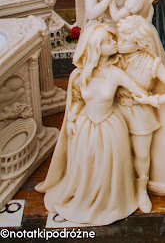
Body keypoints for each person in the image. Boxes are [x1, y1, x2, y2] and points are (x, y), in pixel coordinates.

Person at [35, 24, 155, 225]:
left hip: (110, 125)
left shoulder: (115, 73)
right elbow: (76, 101)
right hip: (86, 125)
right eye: (108, 41)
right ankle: (86, 193)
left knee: (110, 162)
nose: (114, 43)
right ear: (96, 47)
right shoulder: (79, 76)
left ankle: (112, 198)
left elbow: (138, 91)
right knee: (86, 161)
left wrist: (153, 98)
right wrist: (71, 119)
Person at [115, 16, 165, 212]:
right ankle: (119, 186)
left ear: (139, 42)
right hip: (116, 113)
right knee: (117, 151)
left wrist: (154, 100)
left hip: (140, 114)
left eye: (125, 39)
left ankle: (141, 189)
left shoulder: (151, 62)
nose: (119, 42)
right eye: (119, 37)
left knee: (142, 154)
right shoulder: (114, 58)